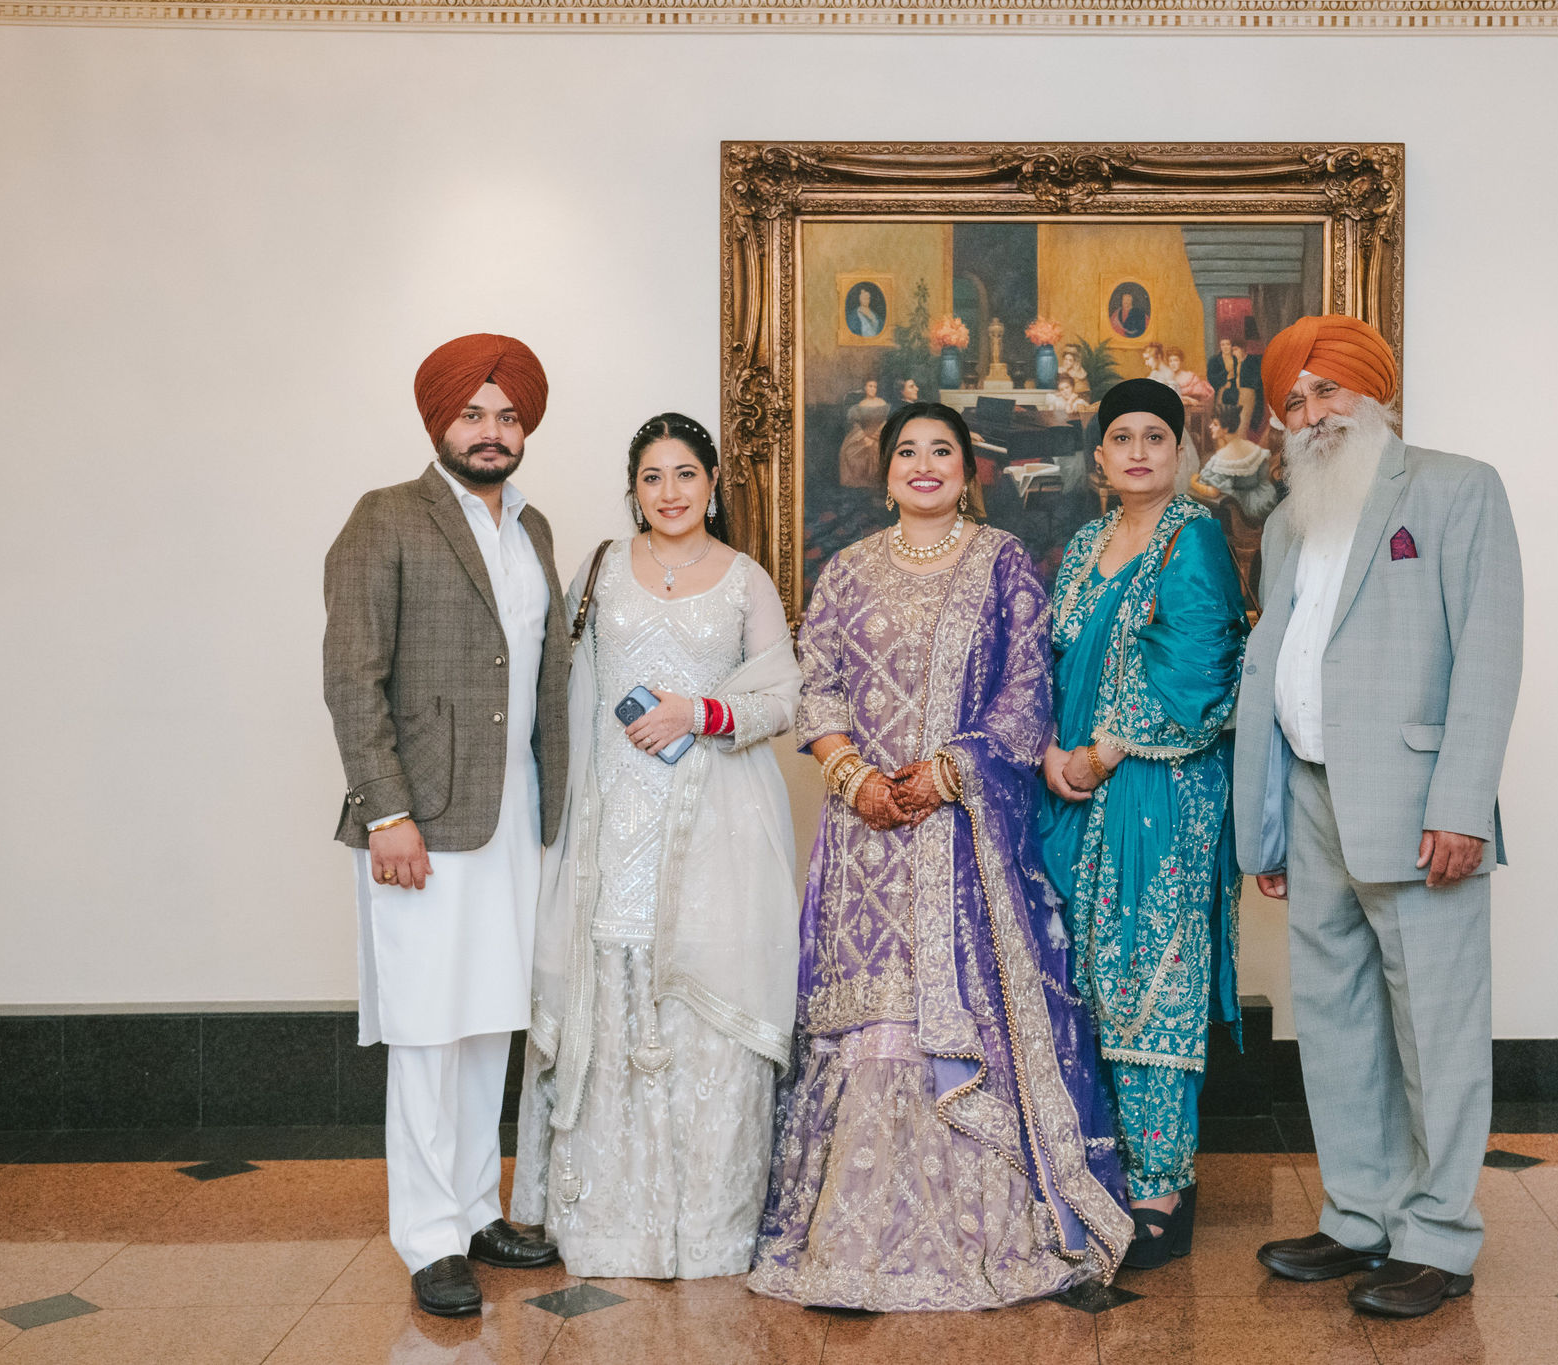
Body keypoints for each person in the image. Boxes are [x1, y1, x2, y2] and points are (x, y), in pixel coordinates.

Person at [750, 402, 1132, 1310]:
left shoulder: (1003, 562)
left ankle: (976, 1228)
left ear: (968, 470)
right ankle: (847, 1231)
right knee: (872, 1015)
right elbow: (818, 685)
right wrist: (853, 777)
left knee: (948, 1011)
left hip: (963, 837)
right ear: (886, 474)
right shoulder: (847, 569)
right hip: (864, 837)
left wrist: (950, 770)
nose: (924, 464)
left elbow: (1026, 691)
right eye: (908, 453)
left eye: (943, 451)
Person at [1233, 314, 1522, 1319]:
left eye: (1327, 391)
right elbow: (1279, 665)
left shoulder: (1454, 487)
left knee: (1435, 1030)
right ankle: (1359, 1216)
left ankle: (1437, 1237)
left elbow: (1488, 651)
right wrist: (1268, 821)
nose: (1312, 414)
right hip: (1310, 796)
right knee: (1335, 1022)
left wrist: (1462, 806)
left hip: (1417, 805)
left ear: (1372, 394)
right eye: (1293, 401)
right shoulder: (1286, 523)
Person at [513, 413, 802, 1280]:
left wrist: (699, 712)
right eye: (651, 476)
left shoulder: (745, 578)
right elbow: (551, 681)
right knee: (610, 993)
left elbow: (783, 696)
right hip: (610, 828)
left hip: (715, 828)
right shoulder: (600, 570)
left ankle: (708, 1231)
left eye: (685, 474)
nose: (669, 491)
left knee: (705, 1007)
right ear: (633, 490)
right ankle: (607, 1226)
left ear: (712, 484)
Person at [322, 333, 565, 1317]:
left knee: (487, 1017)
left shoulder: (534, 527)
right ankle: (427, 1238)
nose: (491, 431)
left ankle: (474, 1210)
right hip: (419, 823)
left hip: (515, 818)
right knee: (428, 1027)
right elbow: (352, 678)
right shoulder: (385, 517)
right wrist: (386, 812)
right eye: (473, 414)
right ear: (439, 422)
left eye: (506, 416)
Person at [1037, 378, 1247, 1270]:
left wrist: (1104, 750)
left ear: (1180, 450)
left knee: (1151, 973)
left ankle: (1162, 1188)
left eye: (1154, 436)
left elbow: (1200, 665)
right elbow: (1051, 659)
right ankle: (1108, 1170)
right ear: (1099, 456)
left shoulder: (1192, 538)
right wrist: (1051, 750)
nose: (1137, 451)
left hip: (1160, 785)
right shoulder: (1087, 543)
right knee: (1089, 974)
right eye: (1120, 436)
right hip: (1077, 785)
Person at [1191, 414, 1283, 611]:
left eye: (1215, 424)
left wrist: (1196, 482)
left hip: (1256, 519)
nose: (1210, 427)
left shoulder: (1265, 464)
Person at [837, 378, 891, 487]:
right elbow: (855, 424)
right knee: (849, 451)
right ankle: (861, 485)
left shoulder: (882, 403)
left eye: (875, 387)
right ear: (865, 388)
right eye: (870, 386)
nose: (873, 389)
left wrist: (875, 437)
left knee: (878, 450)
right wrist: (864, 437)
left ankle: (878, 485)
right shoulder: (860, 405)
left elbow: (885, 422)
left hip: (879, 434)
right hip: (863, 434)